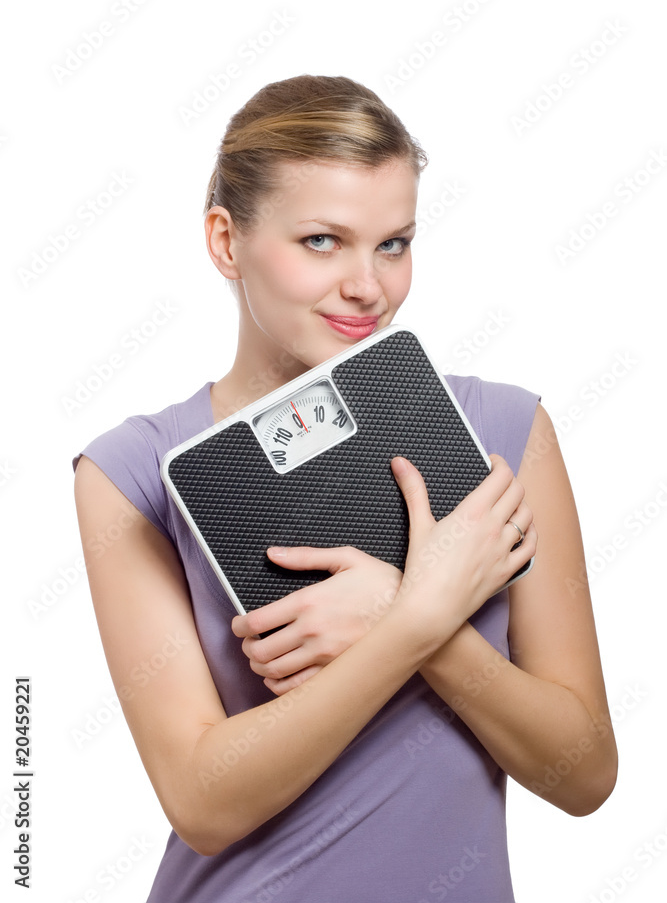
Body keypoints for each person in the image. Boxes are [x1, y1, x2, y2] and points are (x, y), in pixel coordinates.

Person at [72, 74, 617, 903]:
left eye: (392, 243)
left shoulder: (501, 430)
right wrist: (414, 620)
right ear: (225, 241)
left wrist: (410, 618)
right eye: (323, 241)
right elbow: (202, 803)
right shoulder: (135, 470)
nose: (369, 286)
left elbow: (583, 775)